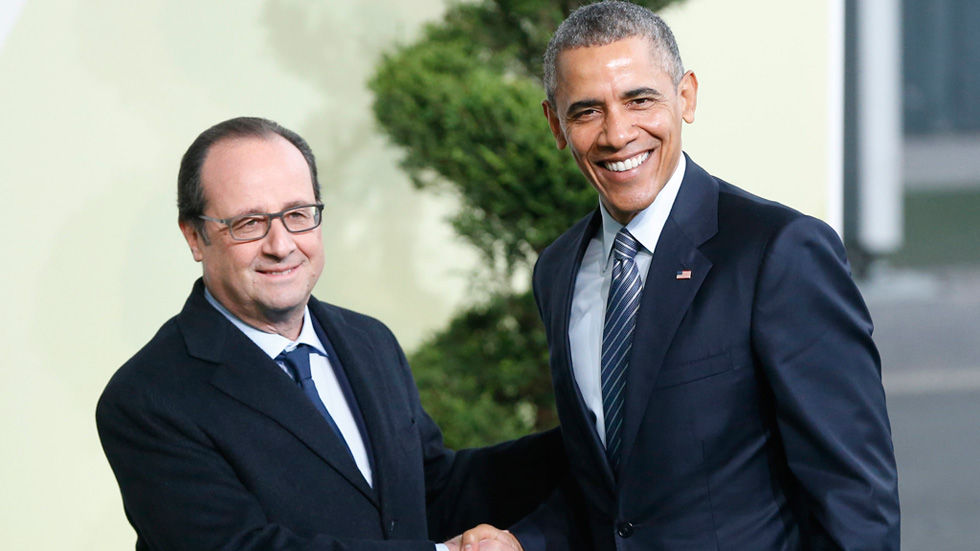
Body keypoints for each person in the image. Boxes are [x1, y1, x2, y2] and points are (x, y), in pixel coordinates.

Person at [462, 2, 900, 550]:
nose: (617, 134)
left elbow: (856, 496)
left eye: (639, 100)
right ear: (556, 125)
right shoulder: (558, 271)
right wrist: (522, 541)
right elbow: (612, 491)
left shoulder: (779, 252)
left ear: (686, 97)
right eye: (587, 111)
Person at [96, 116, 565, 551]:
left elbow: (431, 492)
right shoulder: (148, 399)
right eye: (249, 223)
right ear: (194, 236)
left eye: (298, 214)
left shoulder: (368, 341)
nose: (281, 245)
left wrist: (586, 441)